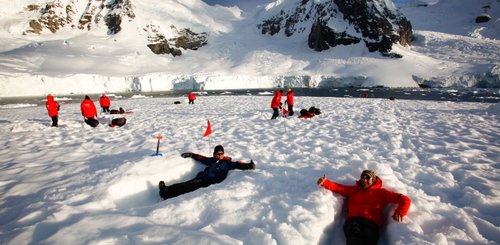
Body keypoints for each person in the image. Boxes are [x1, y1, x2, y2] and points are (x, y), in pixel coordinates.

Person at [317, 170, 411, 245]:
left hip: (371, 224)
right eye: (363, 177)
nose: (364, 179)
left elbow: (404, 199)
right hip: (354, 221)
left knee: (367, 239)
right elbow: (339, 188)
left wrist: (400, 211)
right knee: (354, 239)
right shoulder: (354, 190)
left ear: (373, 180)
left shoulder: (381, 193)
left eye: (368, 177)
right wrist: (325, 182)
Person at [158, 145, 256, 200]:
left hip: (209, 182)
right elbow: (201, 158)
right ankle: (167, 190)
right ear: (214, 154)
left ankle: (167, 193)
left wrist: (248, 165)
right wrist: (191, 155)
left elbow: (238, 164)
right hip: (202, 178)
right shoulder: (211, 160)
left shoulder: (227, 163)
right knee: (187, 184)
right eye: (218, 154)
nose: (220, 155)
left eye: (221, 153)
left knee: (188, 187)